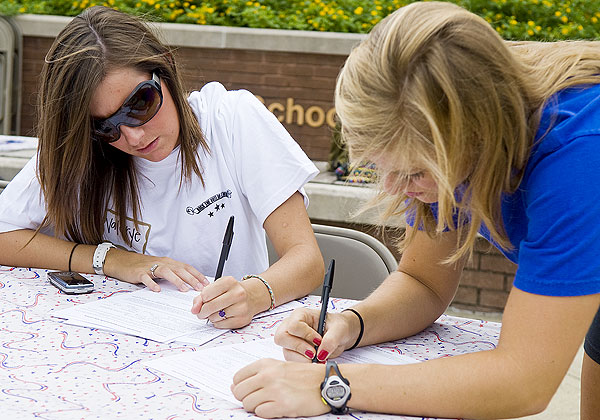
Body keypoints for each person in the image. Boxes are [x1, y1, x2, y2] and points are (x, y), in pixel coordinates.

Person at [231, 2, 600, 418]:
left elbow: (523, 381)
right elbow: (424, 282)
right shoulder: (462, 113)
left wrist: (331, 385)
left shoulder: (580, 159)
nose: (394, 188)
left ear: (479, 136)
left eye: (415, 172)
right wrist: (352, 324)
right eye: (382, 167)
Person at [0, 6, 324, 329]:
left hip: (219, 337)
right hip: (112, 338)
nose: (134, 136)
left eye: (140, 104)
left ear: (165, 68)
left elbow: (306, 261)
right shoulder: (80, 149)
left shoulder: (231, 119)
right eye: (104, 126)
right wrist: (111, 260)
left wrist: (252, 294)